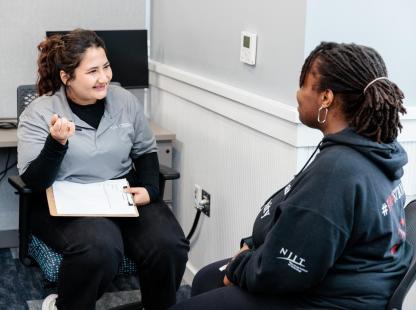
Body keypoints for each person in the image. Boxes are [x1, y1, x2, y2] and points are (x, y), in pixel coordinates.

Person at [170, 42, 413, 310]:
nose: (297, 94)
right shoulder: (375, 147)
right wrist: (251, 249)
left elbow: (280, 272)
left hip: (327, 298)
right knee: (206, 278)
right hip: (345, 281)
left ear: (326, 98)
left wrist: (241, 265)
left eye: (304, 84)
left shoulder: (337, 172)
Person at [17, 29, 189, 310]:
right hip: (66, 201)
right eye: (93, 71)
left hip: (119, 193)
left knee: (169, 246)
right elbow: (35, 180)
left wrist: (149, 189)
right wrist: (57, 142)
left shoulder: (124, 101)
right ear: (66, 77)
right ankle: (66, 304)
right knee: (100, 248)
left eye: (106, 67)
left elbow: (145, 150)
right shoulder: (39, 112)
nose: (104, 77)